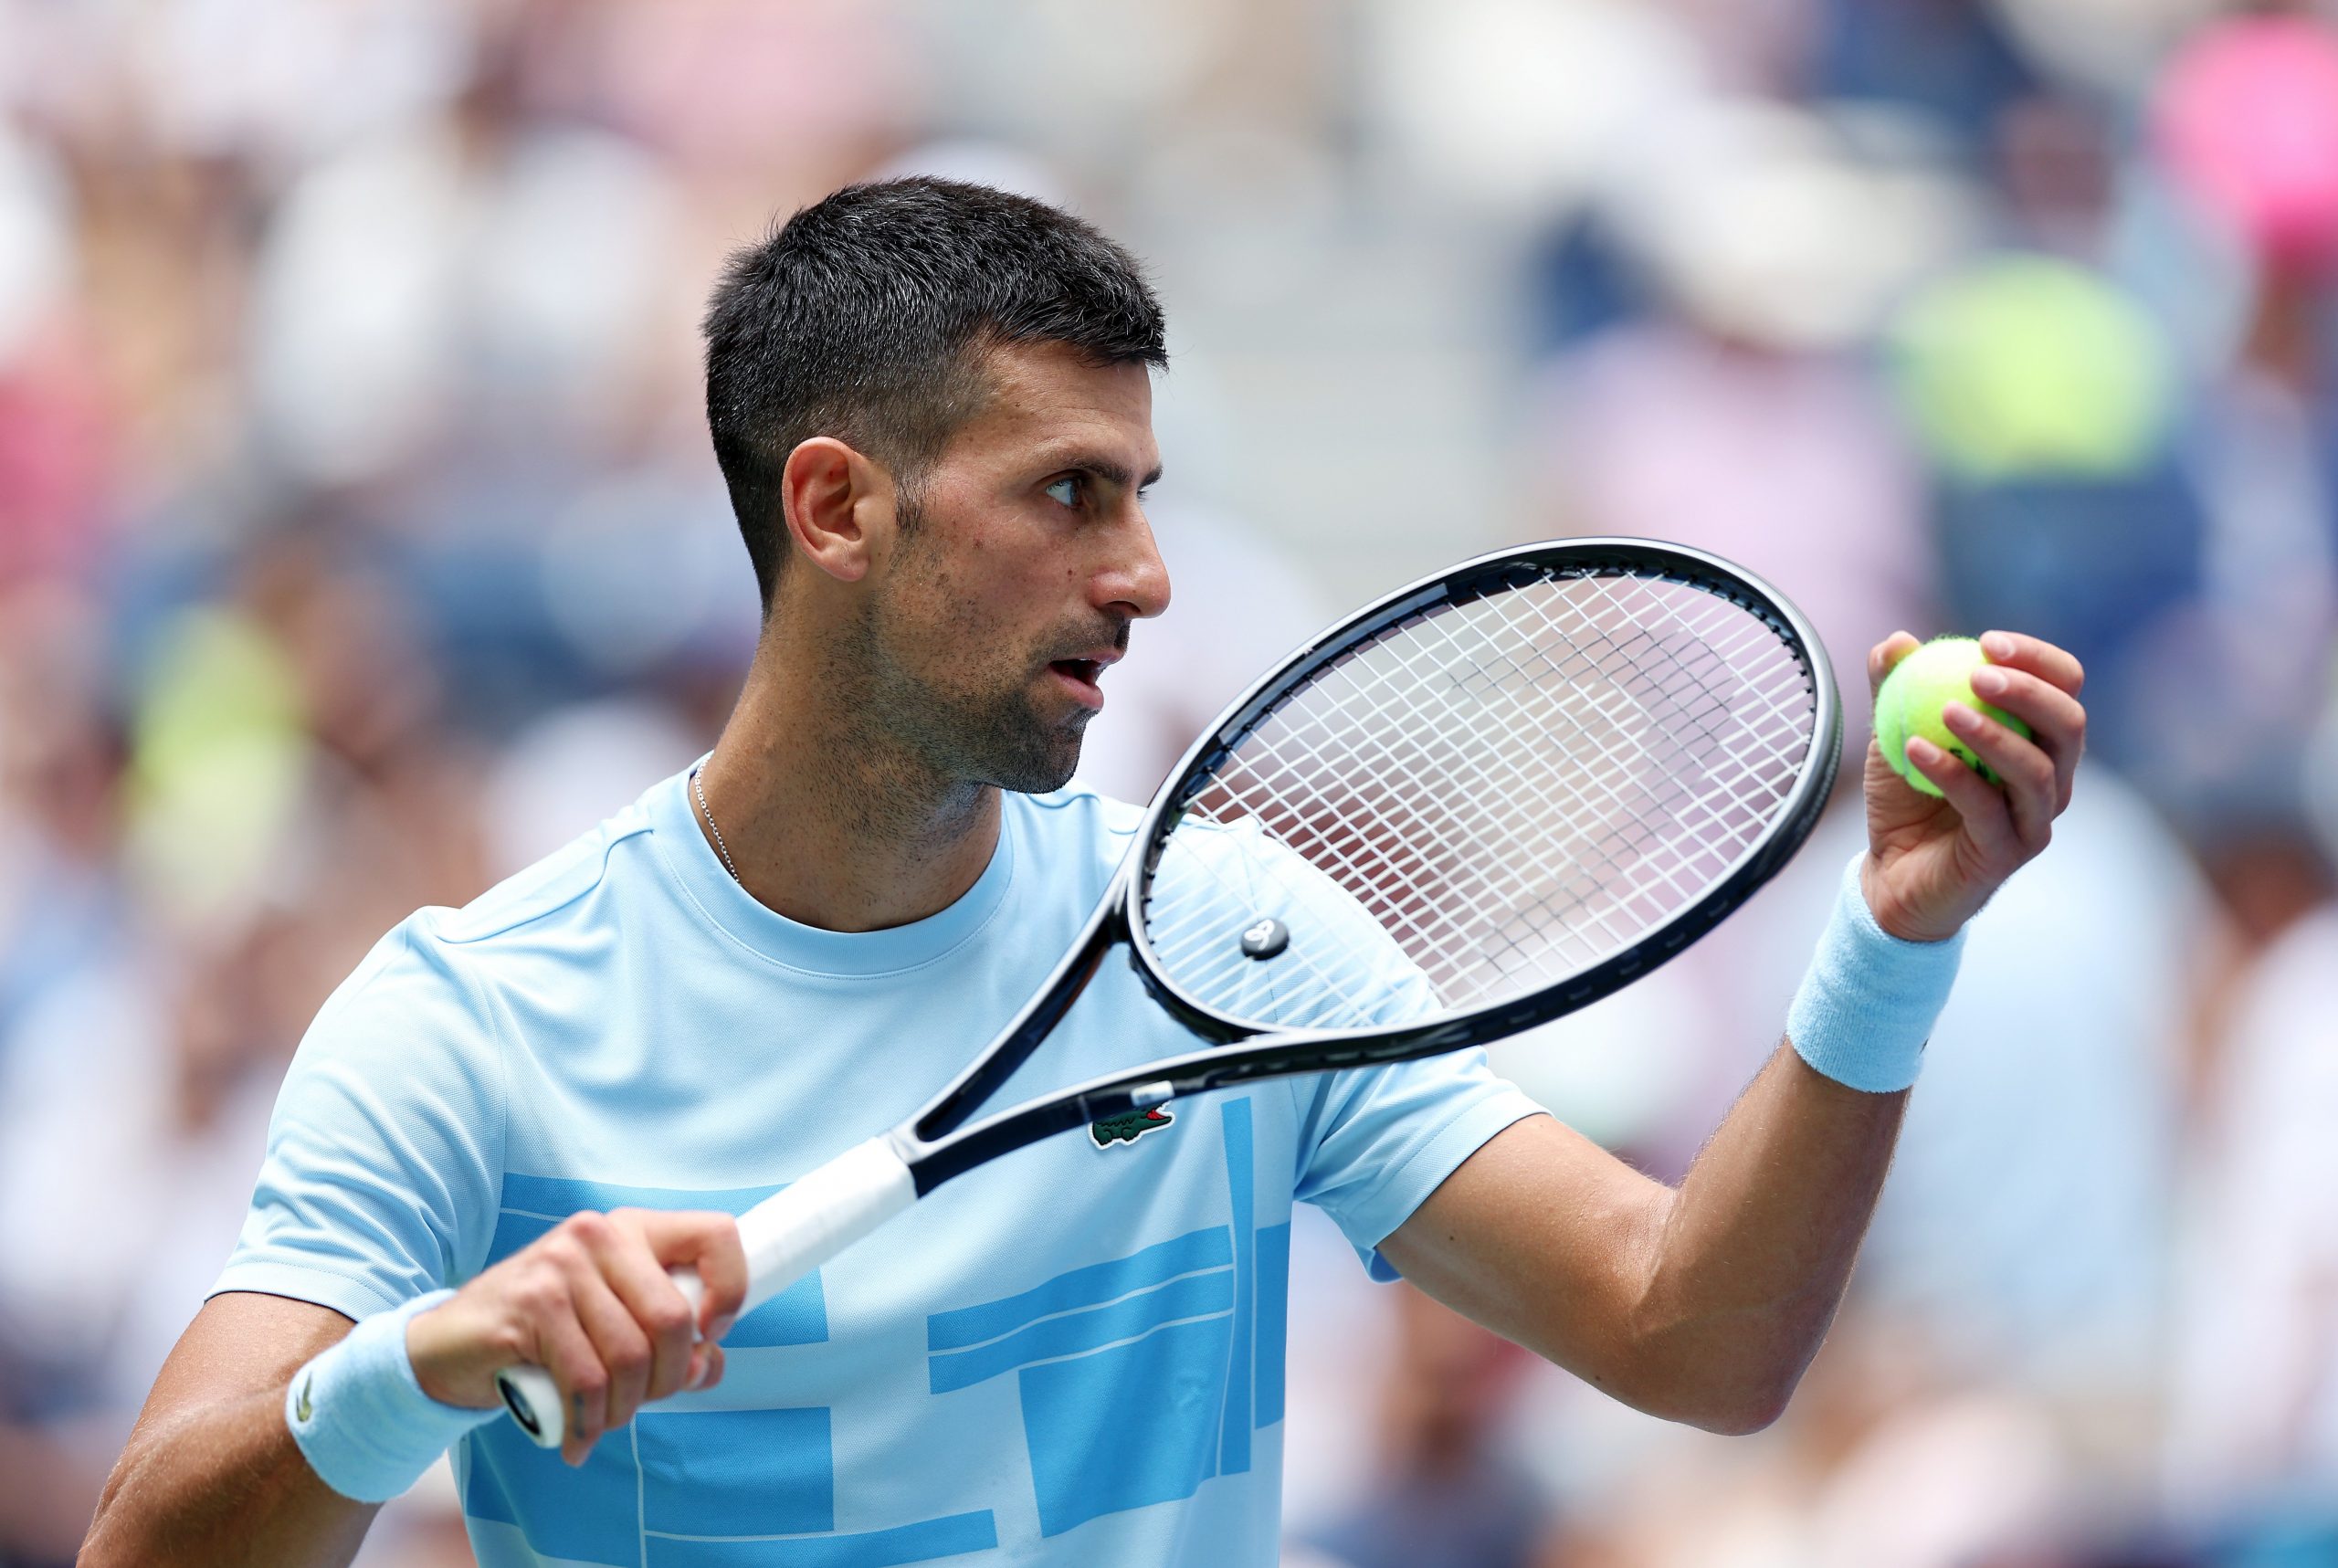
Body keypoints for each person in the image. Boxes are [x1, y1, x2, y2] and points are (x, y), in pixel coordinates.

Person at [78, 177, 2088, 1568]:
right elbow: (149, 1539)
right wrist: (419, 1363)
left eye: (1140, 494)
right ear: (836, 505)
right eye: (1067, 494)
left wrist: (1887, 943)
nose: (1141, 576)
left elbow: (1691, 1336)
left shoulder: (1227, 937)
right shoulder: (472, 1022)